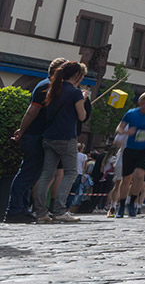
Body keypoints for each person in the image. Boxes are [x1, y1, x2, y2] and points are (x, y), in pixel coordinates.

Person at [5, 57, 68, 223]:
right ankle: (14, 210)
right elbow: (32, 111)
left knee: (31, 174)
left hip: (37, 135)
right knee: (27, 173)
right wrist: (22, 130)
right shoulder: (45, 86)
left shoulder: (50, 86)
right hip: (34, 135)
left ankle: (21, 208)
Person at [32, 61, 89, 223]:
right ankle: (59, 210)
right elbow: (82, 116)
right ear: (77, 75)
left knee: (46, 174)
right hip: (66, 137)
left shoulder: (53, 89)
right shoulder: (75, 92)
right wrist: (83, 99)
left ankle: (41, 212)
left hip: (49, 136)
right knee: (71, 172)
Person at [112, 92, 145, 218]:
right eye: (143, 104)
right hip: (130, 148)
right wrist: (126, 131)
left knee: (139, 175)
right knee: (126, 179)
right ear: (139, 103)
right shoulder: (131, 113)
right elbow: (118, 129)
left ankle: (131, 203)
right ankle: (121, 206)